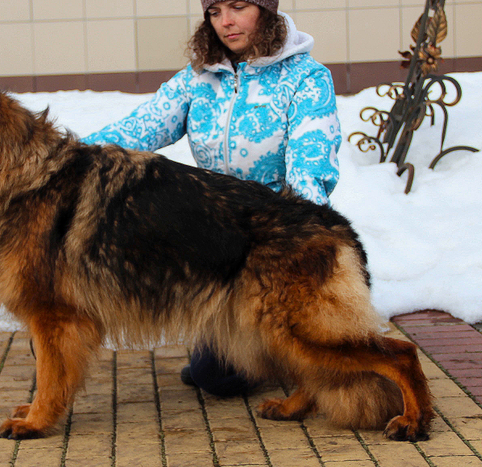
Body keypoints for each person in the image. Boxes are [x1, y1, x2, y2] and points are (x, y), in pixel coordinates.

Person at [82, 0, 341, 397]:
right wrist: (64, 157)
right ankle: (242, 353)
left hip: (270, 241)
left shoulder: (306, 78)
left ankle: (281, 349)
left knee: (223, 375)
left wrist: (306, 250)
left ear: (266, 10)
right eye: (215, 11)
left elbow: (310, 166)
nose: (227, 22)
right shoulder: (199, 78)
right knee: (213, 376)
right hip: (214, 238)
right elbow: (140, 128)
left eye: (238, 7)